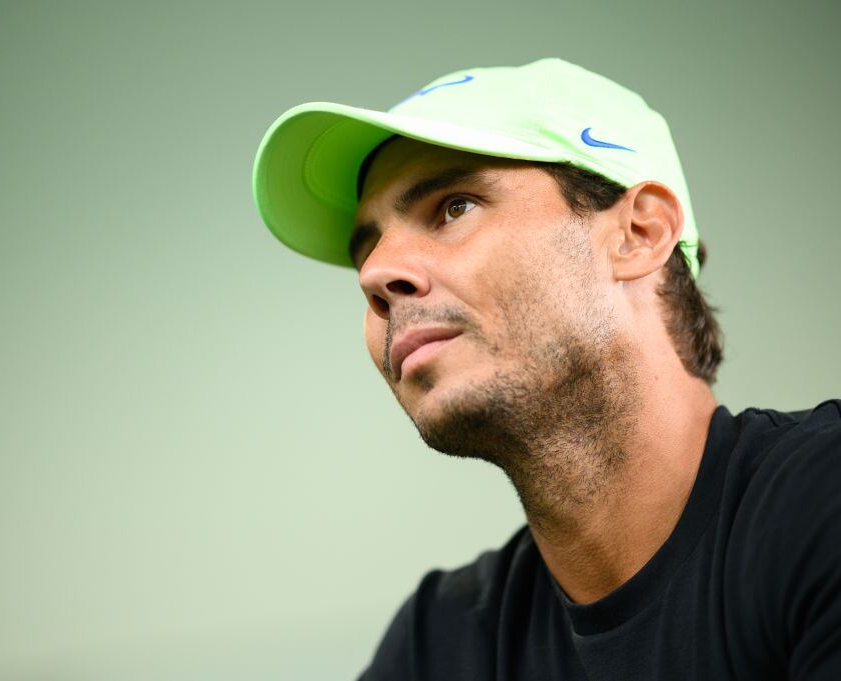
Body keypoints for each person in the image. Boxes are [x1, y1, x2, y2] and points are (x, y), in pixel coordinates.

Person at [251, 58, 841, 680]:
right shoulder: (441, 644)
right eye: (367, 249)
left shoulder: (821, 507)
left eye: (453, 207)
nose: (376, 275)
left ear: (639, 233)